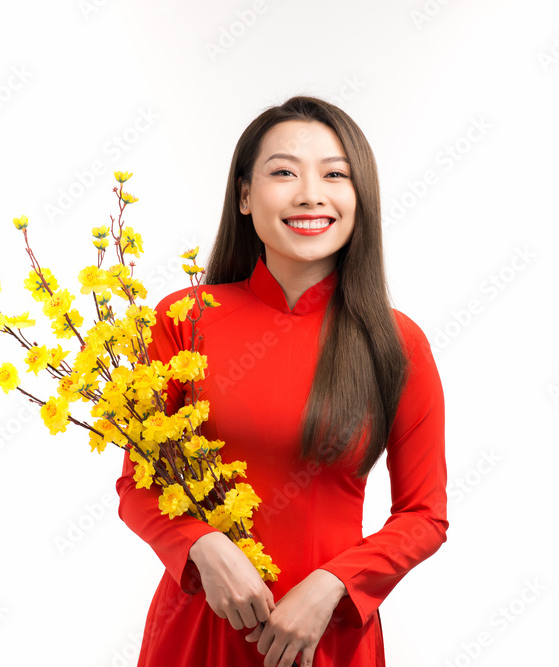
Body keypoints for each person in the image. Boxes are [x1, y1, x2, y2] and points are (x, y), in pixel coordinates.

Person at [115, 95, 448, 667]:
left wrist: (334, 585)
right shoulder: (182, 320)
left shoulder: (396, 343)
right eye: (284, 172)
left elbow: (425, 515)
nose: (310, 193)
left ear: (358, 197)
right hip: (197, 630)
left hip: (330, 637)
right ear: (245, 196)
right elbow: (137, 486)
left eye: (335, 174)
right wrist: (204, 546)